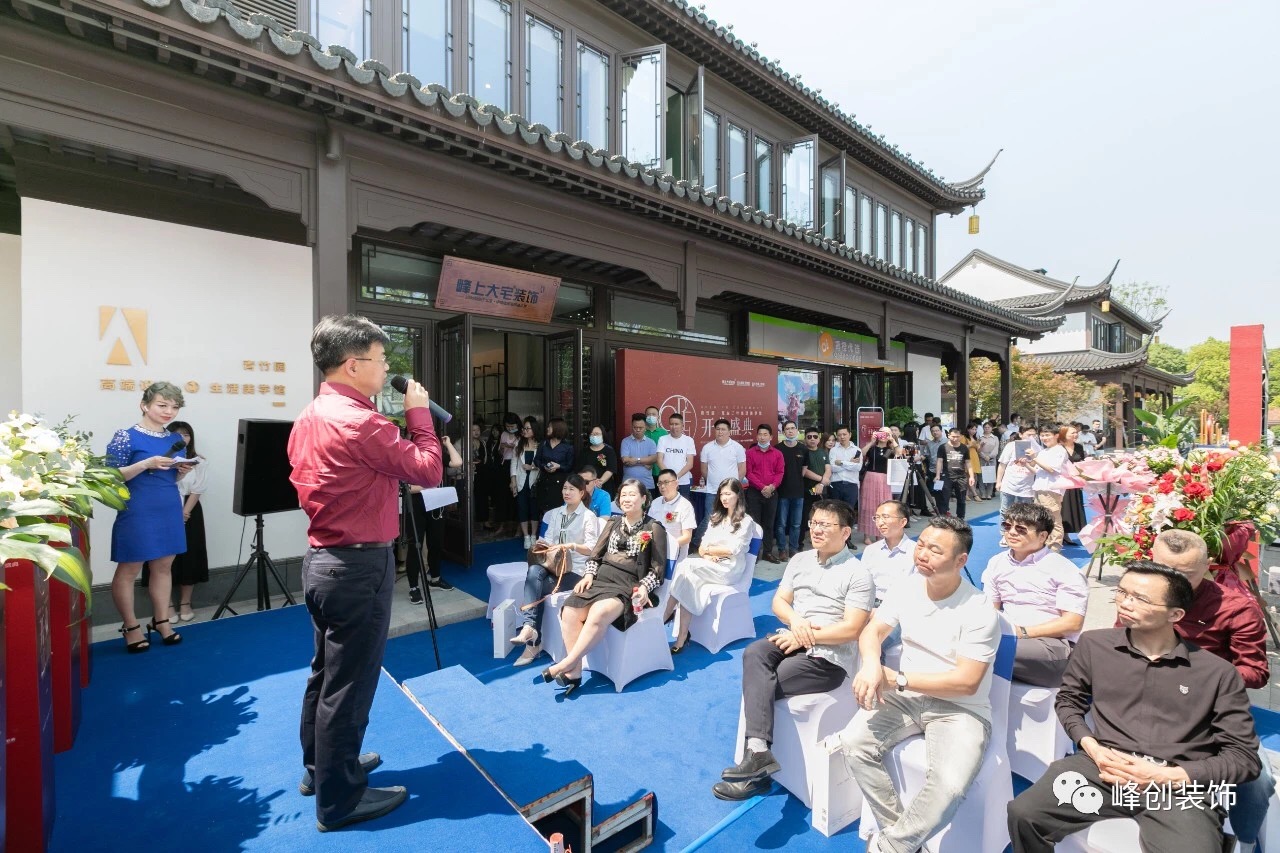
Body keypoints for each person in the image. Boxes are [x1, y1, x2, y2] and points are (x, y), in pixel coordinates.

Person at [288, 314, 442, 832]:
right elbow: (427, 468)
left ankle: (323, 767)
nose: (387, 371)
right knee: (349, 684)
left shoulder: (312, 415)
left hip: (324, 561)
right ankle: (340, 800)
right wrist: (419, 413)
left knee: (325, 673)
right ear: (353, 365)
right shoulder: (361, 422)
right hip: (357, 565)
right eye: (380, 361)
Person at [1007, 562, 1262, 853]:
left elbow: (1244, 759)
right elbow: (1069, 700)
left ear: (1175, 614)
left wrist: (1167, 776)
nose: (1125, 603)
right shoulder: (1094, 645)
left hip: (1175, 786)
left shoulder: (1217, 673)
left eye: (1140, 598)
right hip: (1101, 768)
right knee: (1024, 814)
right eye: (1122, 592)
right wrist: (1091, 746)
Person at [838, 516, 1001, 853]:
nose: (922, 554)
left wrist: (898, 678)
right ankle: (901, 836)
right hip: (905, 696)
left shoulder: (979, 610)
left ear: (961, 561)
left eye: (935, 550)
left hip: (960, 710)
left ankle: (891, 847)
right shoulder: (907, 586)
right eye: (922, 545)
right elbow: (873, 631)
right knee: (853, 743)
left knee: (950, 787)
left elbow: (967, 683)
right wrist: (872, 665)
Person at [712, 500, 873, 800]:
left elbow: (852, 628)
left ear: (846, 532)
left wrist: (806, 636)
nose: (817, 530)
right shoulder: (800, 560)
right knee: (754, 653)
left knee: (762, 684)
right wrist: (797, 621)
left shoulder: (858, 573)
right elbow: (779, 603)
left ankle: (756, 770)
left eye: (826, 525)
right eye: (814, 523)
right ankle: (759, 754)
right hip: (792, 638)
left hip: (828, 658)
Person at [1148, 530, 1273, 850]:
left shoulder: (1236, 609)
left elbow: (1257, 672)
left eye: (1185, 575)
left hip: (1215, 710)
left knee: (1259, 782)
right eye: (1166, 571)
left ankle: (1244, 839)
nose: (1174, 582)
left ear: (1207, 567)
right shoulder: (1142, 597)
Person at [542, 480, 668, 696]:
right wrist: (589, 573)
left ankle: (566, 663)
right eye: (623, 495)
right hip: (601, 579)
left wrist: (645, 587)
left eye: (632, 495)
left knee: (599, 612)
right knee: (571, 610)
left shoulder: (654, 527)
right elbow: (596, 555)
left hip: (629, 584)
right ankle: (575, 671)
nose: (627, 499)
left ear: (644, 498)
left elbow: (658, 569)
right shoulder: (613, 522)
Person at [106, 381, 196, 653]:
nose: (169, 411)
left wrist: (182, 472)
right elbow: (111, 477)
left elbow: (171, 475)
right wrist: (146, 463)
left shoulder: (174, 439)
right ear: (144, 405)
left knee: (164, 566)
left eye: (174, 406)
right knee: (129, 569)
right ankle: (131, 626)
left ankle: (161, 621)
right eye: (162, 405)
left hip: (168, 505)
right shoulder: (125, 436)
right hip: (137, 508)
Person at [980, 503, 1087, 687]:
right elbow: (989, 609)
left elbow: (1072, 623)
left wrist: (1021, 633)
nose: (1011, 532)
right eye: (1007, 526)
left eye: (1021, 529)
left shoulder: (1062, 569)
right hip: (1008, 638)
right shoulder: (996, 563)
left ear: (1043, 536)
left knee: (985, 648)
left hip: (1054, 646)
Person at [510, 474, 601, 666]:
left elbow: (593, 548)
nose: (566, 492)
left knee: (538, 587)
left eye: (571, 489)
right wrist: (544, 543)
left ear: (582, 493)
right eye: (565, 488)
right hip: (552, 564)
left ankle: (533, 640)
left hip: (575, 570)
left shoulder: (588, 517)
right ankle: (529, 628)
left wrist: (572, 546)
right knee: (534, 572)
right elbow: (550, 537)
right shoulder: (556, 513)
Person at [666, 478, 756, 653]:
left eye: (728, 493)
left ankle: (665, 614)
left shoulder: (745, 521)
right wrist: (707, 554)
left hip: (730, 569)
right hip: (710, 564)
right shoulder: (716, 517)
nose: (724, 498)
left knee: (687, 566)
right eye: (721, 494)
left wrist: (711, 551)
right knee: (688, 577)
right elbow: (701, 546)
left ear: (738, 495)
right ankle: (682, 636)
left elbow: (733, 549)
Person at [404, 430, 462, 601]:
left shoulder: (435, 456)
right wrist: (429, 485)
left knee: (436, 542)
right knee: (416, 545)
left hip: (436, 504)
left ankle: (435, 579)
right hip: (415, 505)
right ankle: (414, 586)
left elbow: (457, 462)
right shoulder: (407, 457)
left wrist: (448, 443)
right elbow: (405, 488)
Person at [167, 420, 207, 623]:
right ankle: (167, 605)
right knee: (163, 558)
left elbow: (198, 489)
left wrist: (184, 513)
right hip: (164, 511)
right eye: (177, 434)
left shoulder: (198, 460)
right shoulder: (161, 459)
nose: (183, 438)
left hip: (190, 511)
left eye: (186, 434)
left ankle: (185, 603)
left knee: (189, 556)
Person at [697, 418, 747, 545]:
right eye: (718, 429)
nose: (720, 432)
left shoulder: (737, 447)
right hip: (713, 490)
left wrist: (734, 486)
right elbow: (704, 470)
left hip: (732, 492)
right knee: (710, 517)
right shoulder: (707, 448)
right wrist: (714, 482)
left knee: (732, 517)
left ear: (729, 432)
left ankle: (728, 543)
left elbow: (742, 469)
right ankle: (697, 542)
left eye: (723, 429)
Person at [858, 500, 915, 606]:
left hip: (901, 607)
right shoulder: (870, 550)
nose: (880, 522)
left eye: (885, 517)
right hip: (870, 606)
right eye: (877, 518)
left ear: (903, 522)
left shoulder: (916, 552)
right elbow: (862, 584)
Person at [1029, 423, 1073, 551]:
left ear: (1056, 436)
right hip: (1039, 488)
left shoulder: (1060, 450)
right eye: (1042, 435)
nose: (1044, 438)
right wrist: (1026, 463)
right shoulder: (1043, 451)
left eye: (1047, 435)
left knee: (1053, 519)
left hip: (1051, 490)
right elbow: (1036, 471)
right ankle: (1043, 547)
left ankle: (1054, 548)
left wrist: (1034, 458)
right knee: (1040, 520)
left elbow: (1051, 469)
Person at [744, 424, 784, 562]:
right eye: (760, 434)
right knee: (754, 524)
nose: (762, 437)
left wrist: (772, 487)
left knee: (769, 524)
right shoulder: (749, 453)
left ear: (771, 437)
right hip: (754, 492)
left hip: (772, 493)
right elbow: (748, 473)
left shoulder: (777, 454)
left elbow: (780, 472)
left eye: (765, 434)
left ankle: (767, 552)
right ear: (756, 436)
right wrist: (762, 487)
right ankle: (753, 554)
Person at [774, 420, 809, 562]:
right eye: (787, 429)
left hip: (798, 492)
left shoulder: (803, 449)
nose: (790, 431)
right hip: (782, 492)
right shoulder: (777, 449)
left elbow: (804, 470)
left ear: (797, 430)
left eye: (792, 428)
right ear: (783, 432)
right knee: (781, 524)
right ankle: (782, 549)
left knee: (796, 523)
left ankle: (793, 549)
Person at [858, 430, 899, 546]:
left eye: (886, 434)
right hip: (870, 477)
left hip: (885, 479)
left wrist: (892, 440)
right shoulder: (872, 448)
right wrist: (871, 442)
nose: (883, 436)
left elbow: (900, 454)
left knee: (883, 505)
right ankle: (867, 534)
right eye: (881, 433)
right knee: (868, 506)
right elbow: (862, 453)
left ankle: (879, 534)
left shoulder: (890, 450)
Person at [649, 468, 696, 563]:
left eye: (666, 482)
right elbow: (648, 526)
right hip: (655, 554)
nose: (662, 486)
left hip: (675, 556)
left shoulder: (685, 505)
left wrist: (667, 546)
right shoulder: (655, 502)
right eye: (660, 483)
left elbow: (687, 537)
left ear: (676, 483)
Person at [996, 425, 1039, 520]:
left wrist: (1033, 456)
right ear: (1020, 434)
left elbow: (1036, 468)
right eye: (1029, 435)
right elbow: (1002, 464)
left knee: (1026, 513)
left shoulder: (1037, 449)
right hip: (1009, 484)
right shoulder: (1011, 446)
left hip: (1027, 486)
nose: (1032, 437)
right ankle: (1004, 533)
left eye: (1034, 435)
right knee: (1005, 511)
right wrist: (998, 481)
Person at [511, 417, 542, 548]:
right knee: (522, 508)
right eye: (524, 428)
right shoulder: (519, 443)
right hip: (520, 481)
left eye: (527, 428)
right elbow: (514, 463)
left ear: (534, 429)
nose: (524, 430)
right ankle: (526, 536)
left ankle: (534, 535)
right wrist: (512, 480)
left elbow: (543, 464)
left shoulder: (541, 445)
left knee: (534, 509)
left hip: (535, 481)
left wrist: (533, 467)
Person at [534, 416, 574, 516]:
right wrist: (544, 466)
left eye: (550, 427)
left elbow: (570, 466)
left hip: (559, 482)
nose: (547, 429)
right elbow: (536, 460)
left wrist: (559, 466)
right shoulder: (544, 444)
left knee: (558, 509)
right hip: (545, 480)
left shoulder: (567, 447)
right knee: (545, 510)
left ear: (557, 429)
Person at [934, 428, 974, 519]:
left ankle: (960, 517)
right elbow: (939, 461)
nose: (955, 439)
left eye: (957, 437)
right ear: (949, 436)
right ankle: (943, 517)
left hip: (961, 476)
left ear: (960, 436)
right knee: (944, 498)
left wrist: (971, 476)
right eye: (953, 437)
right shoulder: (943, 447)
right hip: (947, 476)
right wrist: (937, 475)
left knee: (961, 499)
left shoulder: (964, 447)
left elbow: (968, 462)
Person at [800, 427, 832, 543]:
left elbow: (828, 469)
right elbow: (805, 471)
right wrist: (822, 480)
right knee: (806, 514)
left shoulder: (823, 452)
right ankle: (803, 540)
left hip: (822, 488)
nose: (812, 439)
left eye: (815, 437)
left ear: (819, 439)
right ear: (805, 439)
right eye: (809, 437)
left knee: (822, 513)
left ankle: (820, 536)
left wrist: (822, 484)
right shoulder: (803, 452)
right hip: (807, 488)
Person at [656, 413, 697, 501]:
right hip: (665, 482)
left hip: (683, 482)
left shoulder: (689, 440)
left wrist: (675, 478)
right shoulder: (662, 439)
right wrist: (669, 478)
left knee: (682, 509)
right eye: (671, 424)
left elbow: (690, 464)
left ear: (682, 425)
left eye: (676, 424)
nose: (674, 427)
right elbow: (659, 460)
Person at [1059, 424, 1087, 545]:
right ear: (1064, 434)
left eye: (1076, 432)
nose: (1075, 435)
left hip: (1075, 483)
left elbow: (1082, 463)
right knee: (1063, 508)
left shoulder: (1079, 447)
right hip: (1062, 482)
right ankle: (1062, 534)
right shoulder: (1059, 448)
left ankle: (1069, 532)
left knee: (1074, 507)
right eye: (1072, 433)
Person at [619, 413, 658, 495]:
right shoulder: (625, 441)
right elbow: (625, 460)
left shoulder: (651, 443)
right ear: (631, 426)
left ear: (646, 427)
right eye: (635, 427)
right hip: (628, 485)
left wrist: (636, 460)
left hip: (647, 485)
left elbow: (654, 458)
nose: (638, 430)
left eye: (641, 428)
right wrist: (645, 462)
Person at [497, 413, 522, 537]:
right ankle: (503, 524)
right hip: (505, 465)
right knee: (503, 496)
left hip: (517, 466)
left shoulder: (521, 435)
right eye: (508, 426)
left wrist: (514, 447)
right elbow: (500, 452)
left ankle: (518, 527)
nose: (510, 428)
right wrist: (502, 447)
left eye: (512, 426)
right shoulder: (504, 434)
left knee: (516, 497)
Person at [575, 425, 619, 498]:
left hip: (605, 486)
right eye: (591, 434)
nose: (594, 436)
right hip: (587, 486)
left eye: (597, 434)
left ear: (603, 435)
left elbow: (611, 469)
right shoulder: (584, 451)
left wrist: (600, 481)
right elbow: (579, 469)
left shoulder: (609, 451)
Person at [828, 424, 861, 516]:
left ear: (850, 434)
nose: (842, 437)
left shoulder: (857, 450)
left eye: (844, 434)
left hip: (851, 485)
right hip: (836, 484)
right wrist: (849, 462)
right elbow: (833, 468)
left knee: (849, 513)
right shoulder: (833, 450)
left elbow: (857, 467)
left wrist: (841, 462)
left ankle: (847, 530)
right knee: (835, 513)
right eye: (839, 435)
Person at [644, 404, 668, 481]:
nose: (651, 416)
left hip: (660, 470)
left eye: (654, 414)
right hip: (645, 471)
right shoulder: (641, 432)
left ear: (658, 417)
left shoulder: (664, 433)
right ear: (645, 417)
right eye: (648, 414)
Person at [978, 422, 1000, 500]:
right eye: (985, 427)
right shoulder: (980, 437)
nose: (987, 429)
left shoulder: (995, 438)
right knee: (981, 477)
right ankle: (983, 494)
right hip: (982, 458)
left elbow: (996, 449)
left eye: (988, 427)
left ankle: (989, 494)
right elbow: (978, 449)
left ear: (991, 428)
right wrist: (984, 456)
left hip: (992, 459)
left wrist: (989, 457)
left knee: (991, 476)